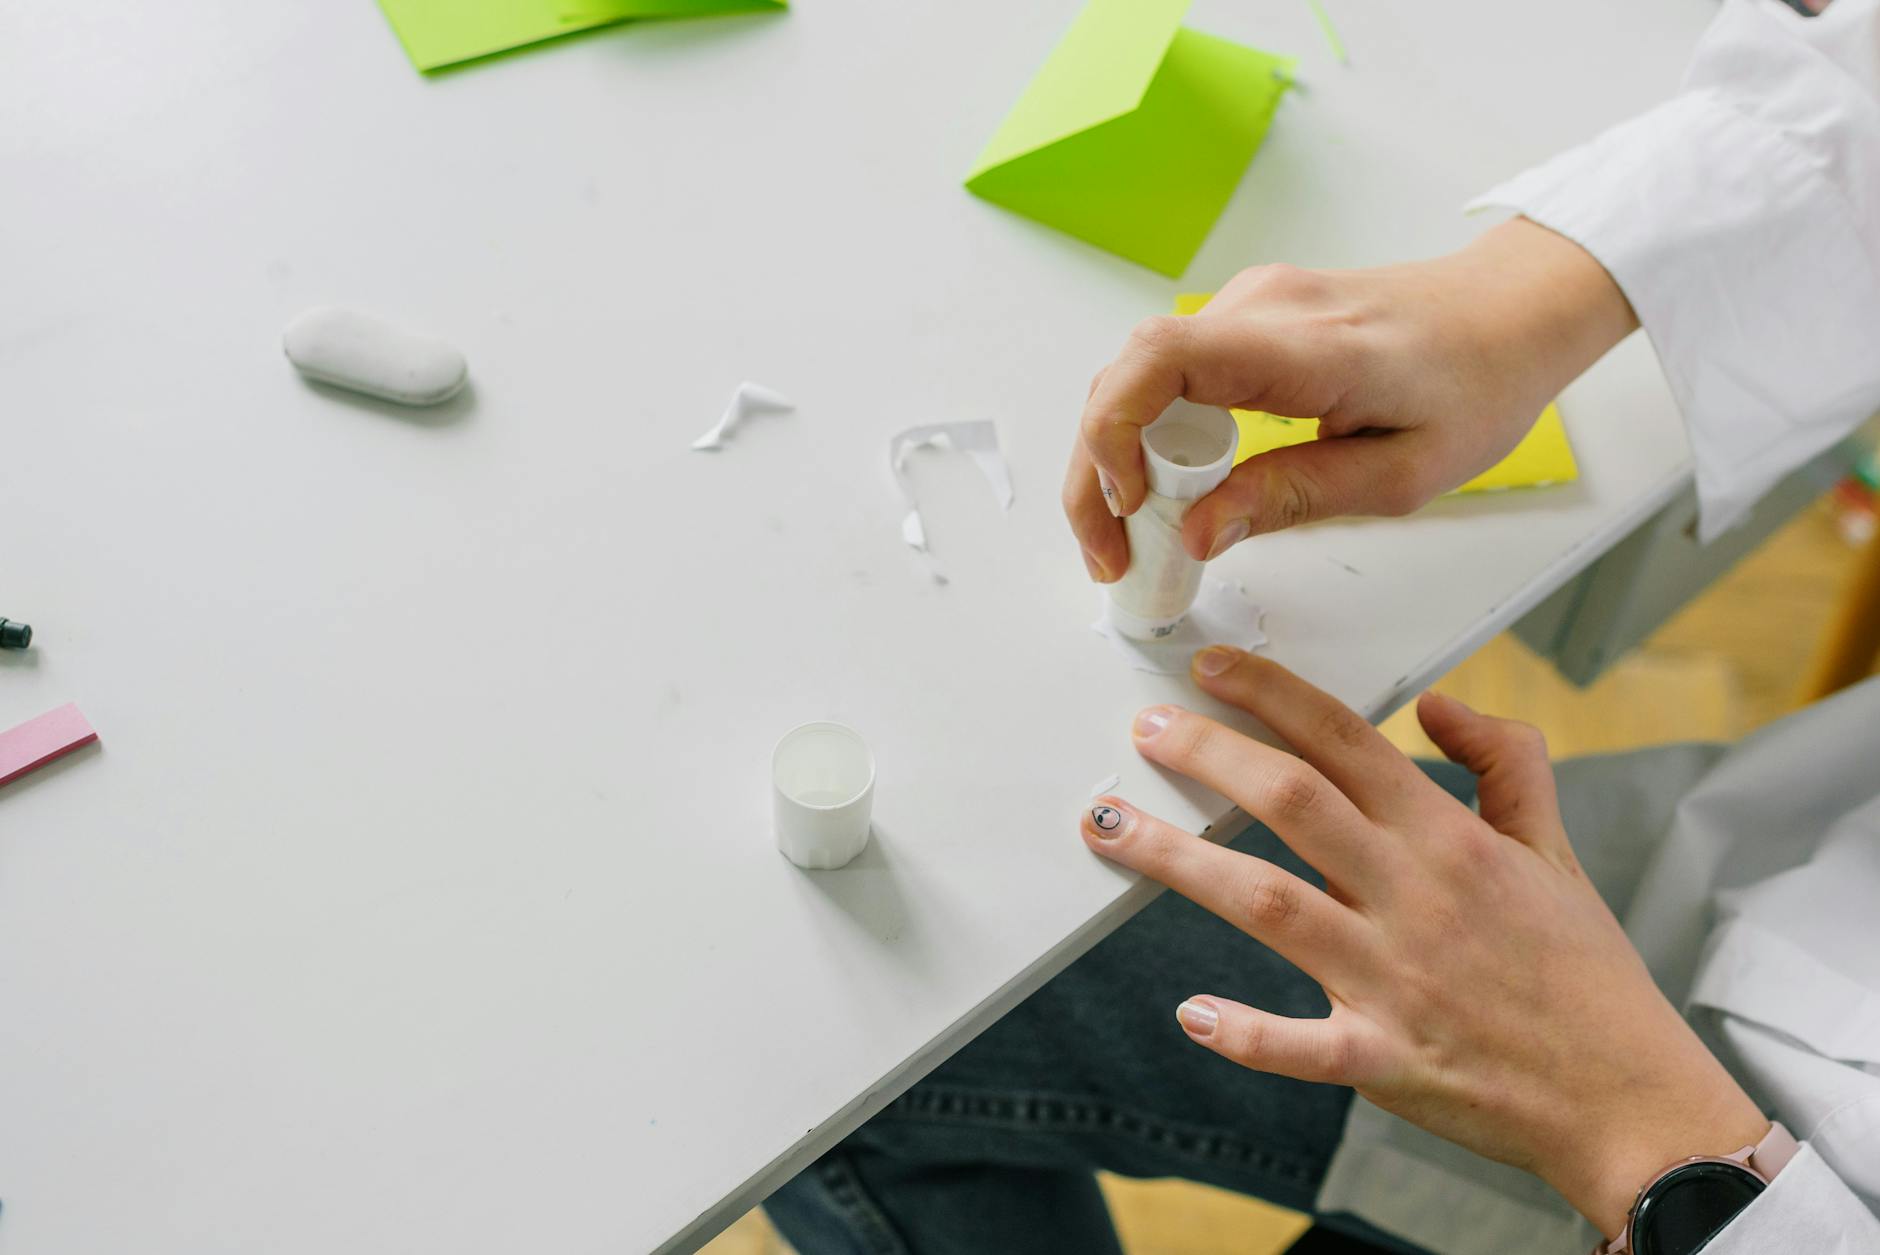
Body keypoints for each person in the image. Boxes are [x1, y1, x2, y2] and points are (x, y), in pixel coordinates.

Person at [766, 0, 1880, 1251]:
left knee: (846, 1040)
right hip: (1722, 940)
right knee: (855, 1023)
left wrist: (1634, 1122)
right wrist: (1529, 296)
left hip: (1682, 1172)